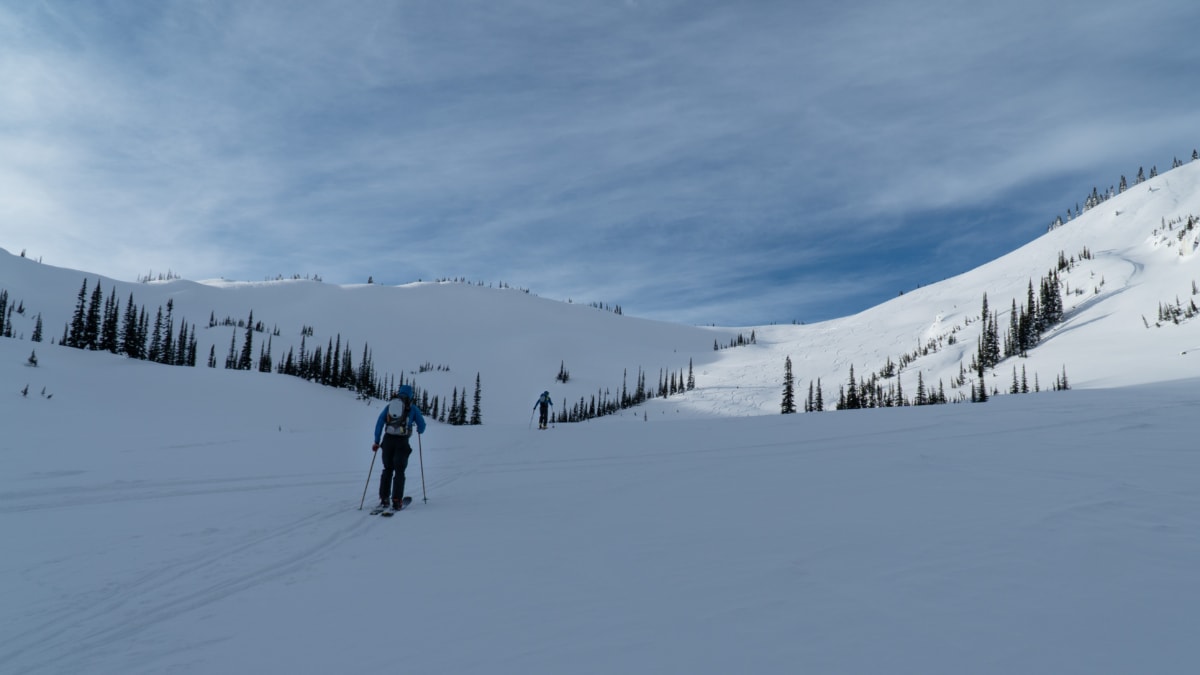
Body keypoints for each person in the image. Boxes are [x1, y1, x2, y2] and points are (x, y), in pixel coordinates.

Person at [372, 384, 427, 510]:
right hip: (402, 442)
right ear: (410, 394)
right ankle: (397, 500)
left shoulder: (390, 406)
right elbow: (422, 426)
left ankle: (384, 498)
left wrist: (376, 441)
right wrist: (419, 429)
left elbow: (380, 422)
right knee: (399, 471)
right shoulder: (412, 408)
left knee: (387, 469)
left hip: (387, 440)